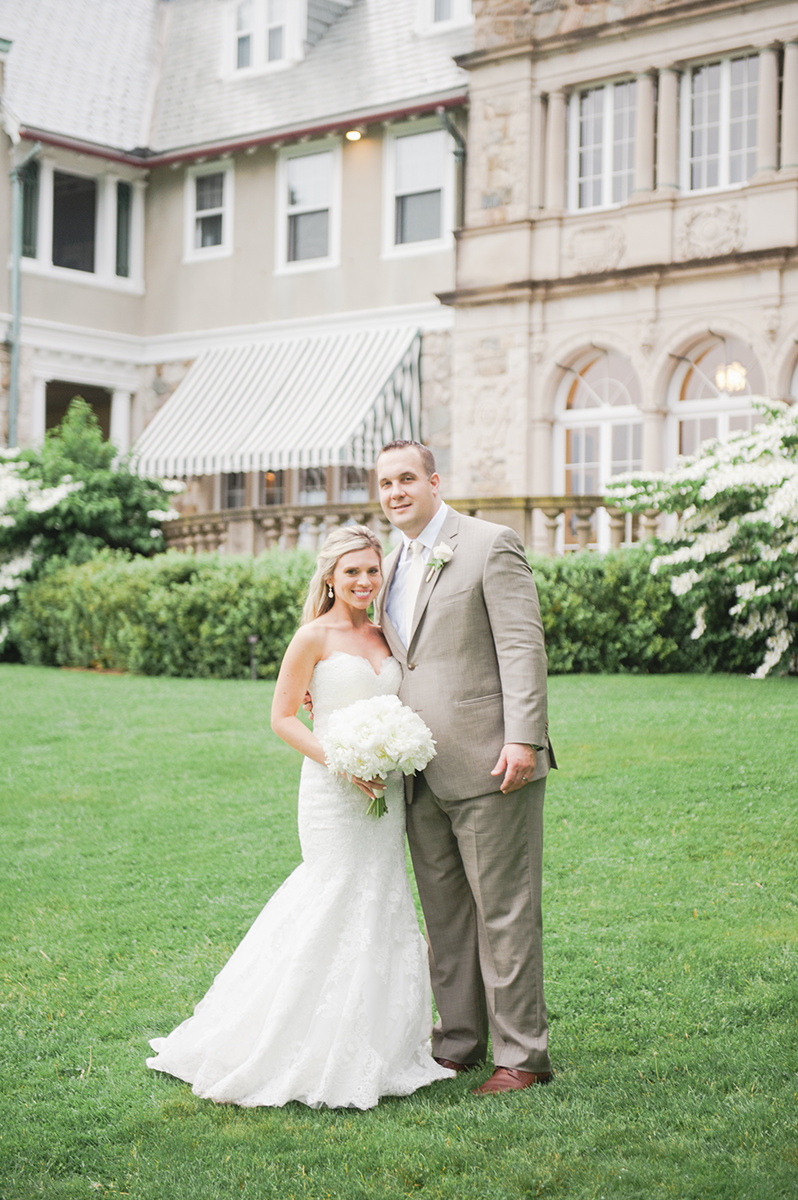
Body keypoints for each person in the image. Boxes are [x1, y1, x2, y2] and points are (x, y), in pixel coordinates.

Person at [146, 525, 454, 1109]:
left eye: (372, 570)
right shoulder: (312, 636)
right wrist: (344, 762)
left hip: (386, 790)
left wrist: (392, 750)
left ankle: (378, 1043)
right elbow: (283, 717)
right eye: (352, 571)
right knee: (332, 895)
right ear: (330, 578)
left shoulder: (387, 632)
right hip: (333, 788)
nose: (364, 580)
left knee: (382, 897)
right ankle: (286, 1039)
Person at [374, 440, 555, 1095]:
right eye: (385, 483)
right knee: (445, 917)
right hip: (418, 771)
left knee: (505, 913)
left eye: (406, 479)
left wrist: (523, 738)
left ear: (434, 481)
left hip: (491, 761)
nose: (395, 492)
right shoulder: (387, 565)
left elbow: (522, 646)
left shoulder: (487, 544)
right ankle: (458, 1043)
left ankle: (522, 1057)